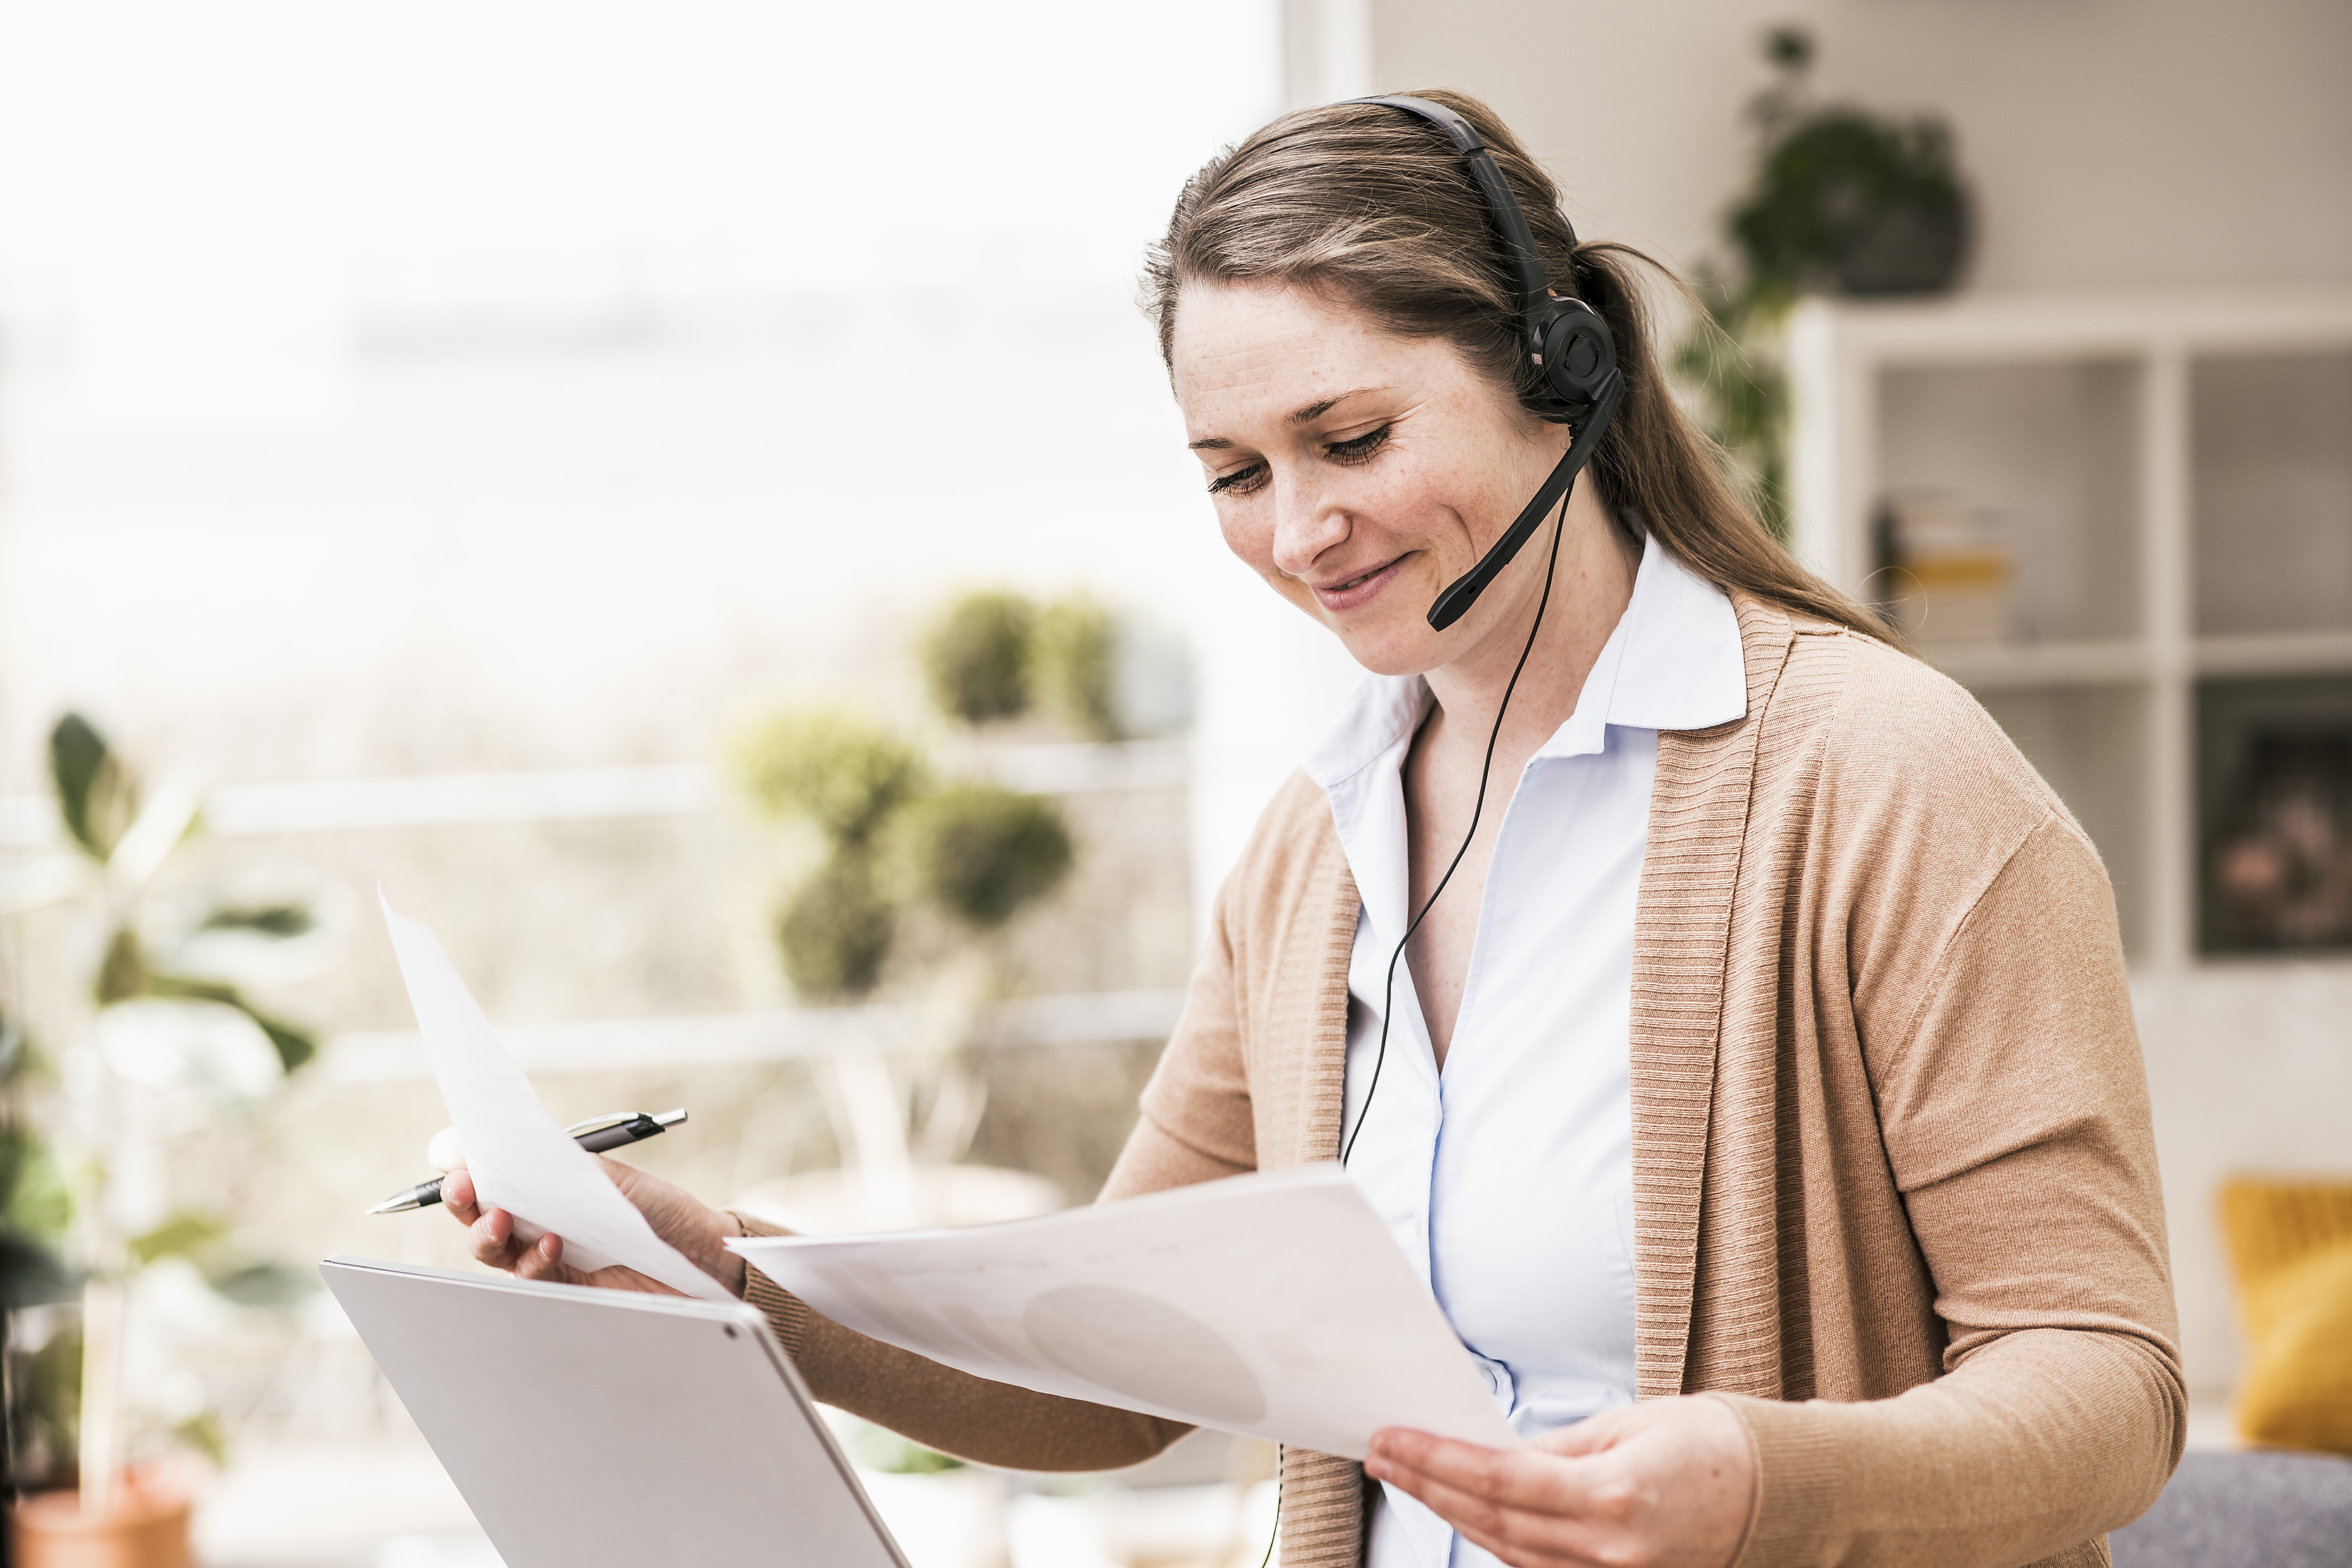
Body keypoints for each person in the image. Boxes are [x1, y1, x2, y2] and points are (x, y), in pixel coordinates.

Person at [438, 91, 2182, 1568]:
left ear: (1553, 367)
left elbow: (2106, 1389)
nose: (1301, 531)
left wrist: (1758, 1486)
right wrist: (720, 1265)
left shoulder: (1884, 779)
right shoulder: (1312, 851)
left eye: (1349, 436)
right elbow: (1107, 1375)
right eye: (1234, 471)